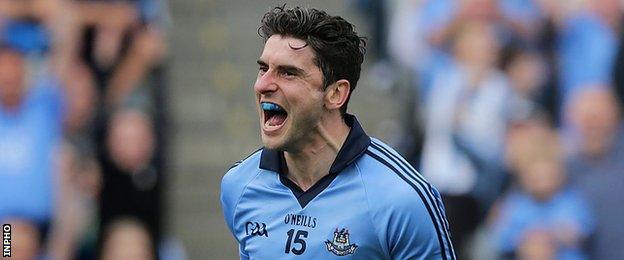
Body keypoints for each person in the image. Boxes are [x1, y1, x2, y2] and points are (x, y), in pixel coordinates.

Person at [220, 6, 455, 259]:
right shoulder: (240, 185)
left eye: (288, 73)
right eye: (263, 68)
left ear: (335, 94)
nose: (263, 84)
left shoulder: (402, 198)